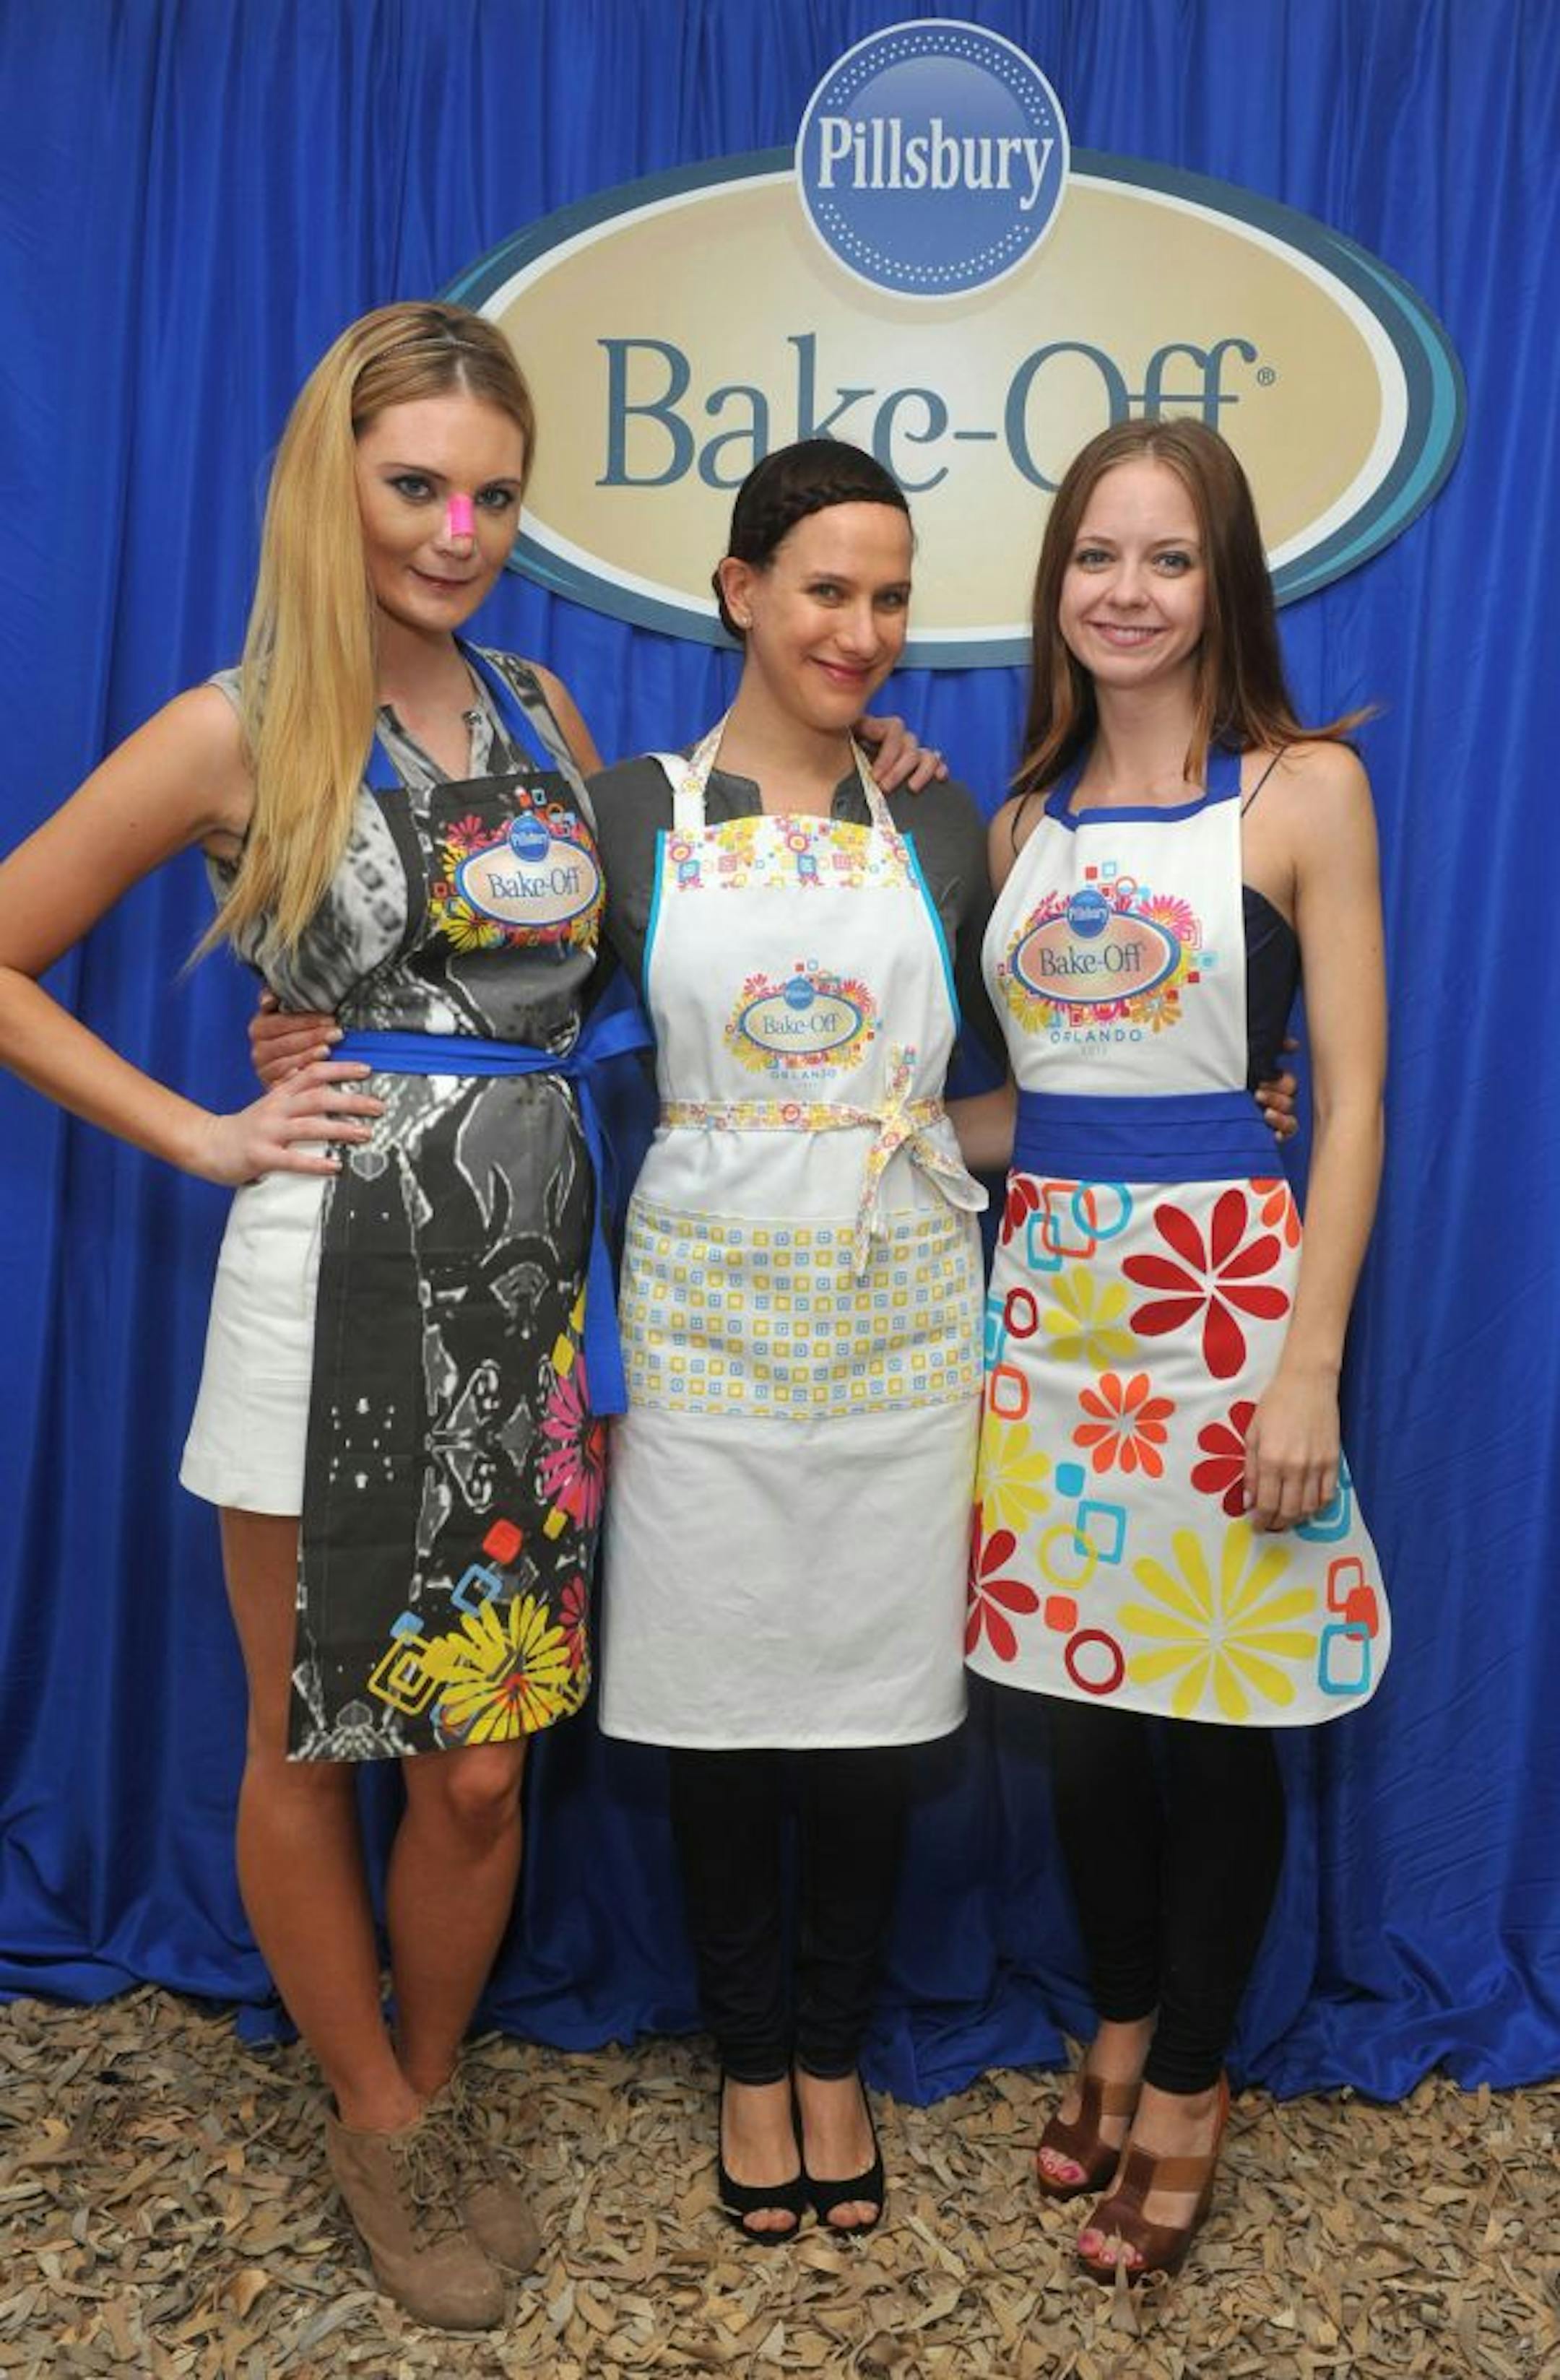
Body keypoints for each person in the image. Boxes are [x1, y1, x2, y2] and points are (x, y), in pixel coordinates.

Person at [960, 419, 1390, 2283]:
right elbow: (1031, 1110)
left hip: (1225, 1312)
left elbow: (1356, 1099)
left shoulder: (1305, 792)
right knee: (1071, 1722)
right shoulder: (1013, 821)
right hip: (1047, 1318)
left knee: (1214, 1731)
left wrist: (1306, 1365)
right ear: (1056, 586)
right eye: (1095, 558)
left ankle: (1194, 2083)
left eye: (1168, 558)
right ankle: (1117, 2026)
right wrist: (838, 1129)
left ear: (1225, 585)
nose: (1126, 592)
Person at [585, 440, 998, 2241]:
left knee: (869, 1712)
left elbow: (997, 1094)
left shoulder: (939, 822)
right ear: (741, 588)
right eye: (827, 588)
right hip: (702, 1328)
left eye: (892, 595)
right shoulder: (626, 815)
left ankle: (834, 2049)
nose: (863, 629)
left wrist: (1192, 1111)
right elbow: (510, 1029)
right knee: (725, 1703)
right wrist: (316, 1046)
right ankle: (754, 2061)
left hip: (906, 1325)